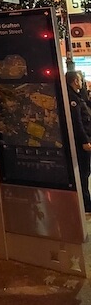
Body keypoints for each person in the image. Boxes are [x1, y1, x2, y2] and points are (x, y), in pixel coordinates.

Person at [66, 70, 91, 213]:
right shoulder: (72, 98)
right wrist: (85, 140)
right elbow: (77, 122)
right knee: (83, 172)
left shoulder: (77, 96)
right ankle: (85, 203)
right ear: (75, 81)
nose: (81, 82)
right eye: (80, 80)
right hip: (81, 142)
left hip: (85, 139)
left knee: (85, 172)